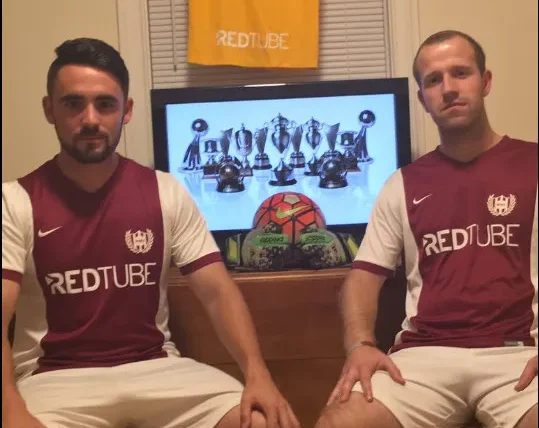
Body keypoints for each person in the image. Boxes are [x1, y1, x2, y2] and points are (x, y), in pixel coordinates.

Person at [1, 38, 300, 428]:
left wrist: (258, 374)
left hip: (156, 369)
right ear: (49, 110)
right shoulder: (15, 201)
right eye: (73, 104)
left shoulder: (164, 191)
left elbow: (216, 291)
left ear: (126, 111)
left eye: (105, 104)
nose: (90, 119)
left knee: (263, 422)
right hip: (55, 380)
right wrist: (8, 405)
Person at [315, 30, 538, 428]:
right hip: (423, 358)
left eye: (460, 73)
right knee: (340, 420)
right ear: (422, 98)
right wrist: (359, 344)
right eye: (434, 80)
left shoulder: (531, 163)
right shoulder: (402, 183)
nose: (448, 88)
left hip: (517, 353)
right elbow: (362, 279)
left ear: (486, 81)